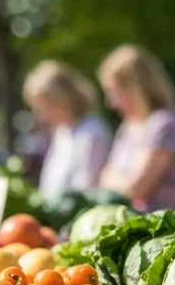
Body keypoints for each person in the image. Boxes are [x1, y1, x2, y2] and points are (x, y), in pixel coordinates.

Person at [97, 45, 175, 216]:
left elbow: (136, 189)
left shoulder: (164, 125)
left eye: (114, 92)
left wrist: (115, 180)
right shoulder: (128, 127)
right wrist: (118, 182)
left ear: (135, 88)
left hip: (163, 233)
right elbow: (103, 178)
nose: (111, 102)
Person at [23, 60, 110, 199]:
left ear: (63, 100)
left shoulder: (91, 133)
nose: (42, 115)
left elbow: (86, 190)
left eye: (45, 106)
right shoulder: (62, 131)